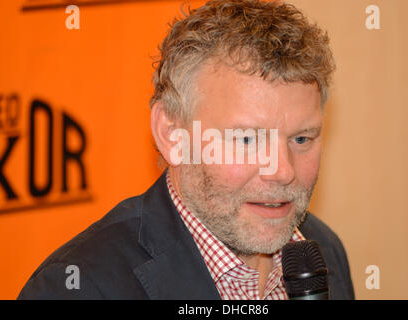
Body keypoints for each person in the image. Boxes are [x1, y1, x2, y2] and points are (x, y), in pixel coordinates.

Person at [18, 0, 355, 300]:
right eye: (247, 140)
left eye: (301, 139)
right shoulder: (78, 286)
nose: (283, 170)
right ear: (172, 135)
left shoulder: (323, 251)